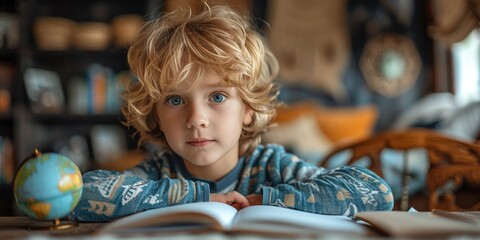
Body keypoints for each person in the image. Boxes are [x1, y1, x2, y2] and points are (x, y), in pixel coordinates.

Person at [70, 3, 394, 222]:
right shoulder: (159, 173)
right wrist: (198, 197)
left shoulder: (273, 166)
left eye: (218, 96)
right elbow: (79, 193)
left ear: (249, 110)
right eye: (175, 100)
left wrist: (261, 201)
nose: (196, 118)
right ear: (155, 114)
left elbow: (375, 191)